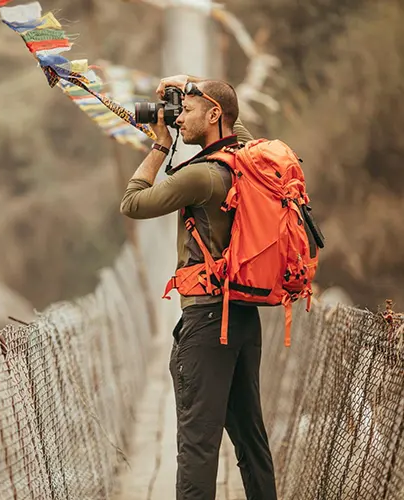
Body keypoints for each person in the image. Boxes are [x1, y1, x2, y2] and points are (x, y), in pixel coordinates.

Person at [119, 74, 278, 500]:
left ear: (212, 115)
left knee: (197, 447)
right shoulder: (246, 159)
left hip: (208, 323)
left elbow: (132, 202)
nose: (178, 119)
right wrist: (190, 83)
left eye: (186, 111)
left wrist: (157, 145)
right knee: (251, 443)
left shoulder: (202, 176)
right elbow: (232, 118)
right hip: (243, 318)